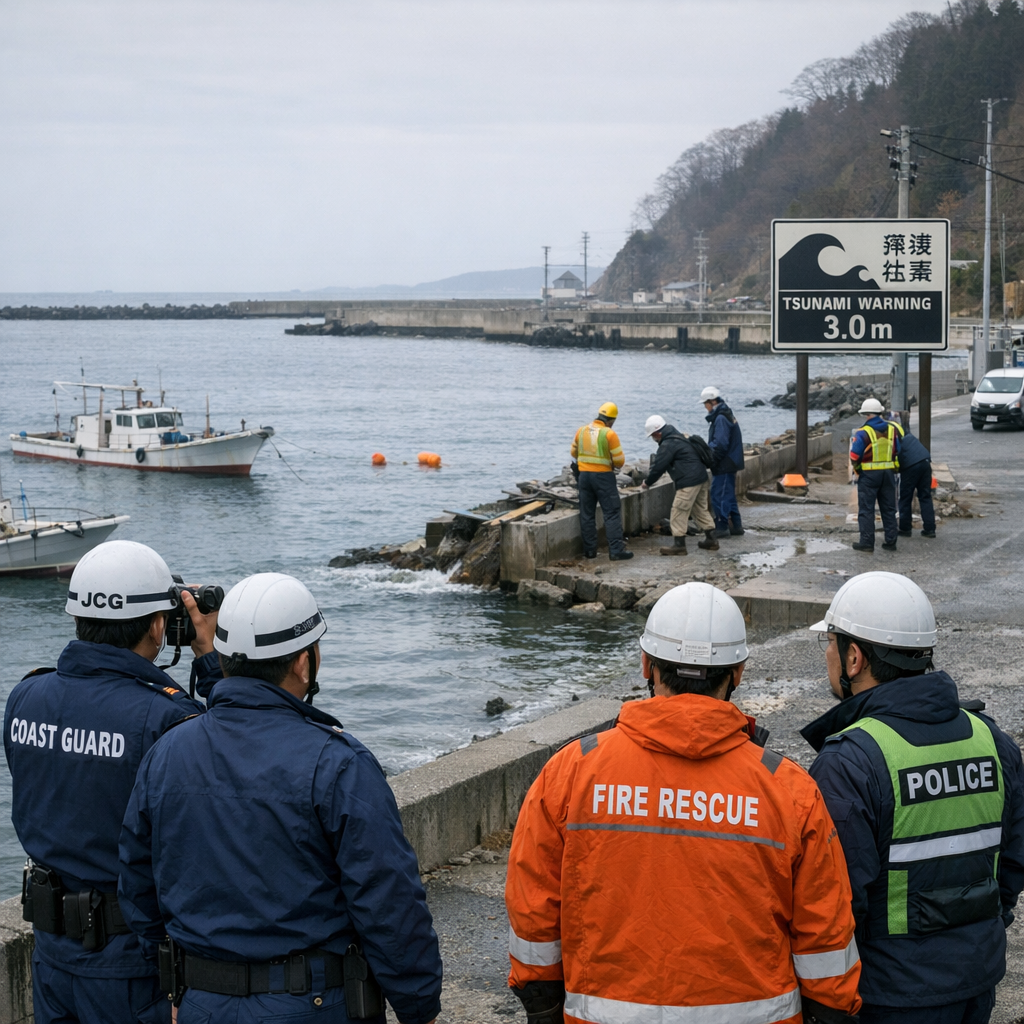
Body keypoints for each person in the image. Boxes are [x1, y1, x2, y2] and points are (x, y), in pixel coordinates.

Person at [506, 582, 862, 1024]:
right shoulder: (788, 789)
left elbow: (533, 911)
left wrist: (542, 1007)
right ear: (738, 674)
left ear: (645, 665)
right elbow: (825, 934)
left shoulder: (571, 773)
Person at [119, 572, 442, 1024]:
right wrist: (419, 1005)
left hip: (202, 1001)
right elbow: (388, 902)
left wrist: (176, 978)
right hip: (313, 1004)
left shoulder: (167, 751)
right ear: (304, 664)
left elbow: (137, 882)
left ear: (225, 657)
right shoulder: (339, 763)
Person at [4, 540, 217, 1024]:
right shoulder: (168, 718)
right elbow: (230, 772)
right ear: (159, 625)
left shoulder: (25, 697)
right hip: (133, 961)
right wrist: (212, 661)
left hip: (52, 953)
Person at [802, 571, 1024, 1024]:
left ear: (854, 658)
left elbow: (836, 904)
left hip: (889, 995)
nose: (825, 653)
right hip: (975, 981)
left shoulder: (850, 762)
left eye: (829, 641)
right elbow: (1011, 864)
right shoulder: (992, 741)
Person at [641, 414, 718, 555]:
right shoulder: (680, 437)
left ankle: (679, 546)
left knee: (678, 511)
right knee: (700, 509)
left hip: (688, 482)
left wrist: (647, 482)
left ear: (657, 432)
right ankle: (711, 539)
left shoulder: (667, 444)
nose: (653, 438)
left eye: (653, 435)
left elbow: (658, 467)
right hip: (701, 477)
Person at [570, 402, 633, 560]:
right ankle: (616, 551)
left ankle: (590, 552)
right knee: (611, 513)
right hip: (604, 477)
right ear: (612, 420)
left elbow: (573, 454)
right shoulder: (609, 434)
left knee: (587, 514)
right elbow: (619, 461)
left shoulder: (581, 430)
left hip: (584, 477)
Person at [849, 398, 903, 552]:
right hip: (888, 474)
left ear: (866, 414)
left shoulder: (863, 432)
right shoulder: (893, 429)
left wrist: (857, 469)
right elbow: (898, 450)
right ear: (880, 412)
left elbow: (854, 455)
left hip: (869, 475)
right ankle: (891, 541)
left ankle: (867, 543)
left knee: (866, 509)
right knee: (888, 508)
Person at [702, 386, 745, 538]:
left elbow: (720, 444)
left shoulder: (720, 418)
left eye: (705, 404)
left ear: (712, 402)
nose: (705, 407)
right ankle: (736, 526)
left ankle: (721, 527)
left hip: (725, 463)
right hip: (731, 461)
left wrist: (709, 458)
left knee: (719, 494)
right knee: (729, 496)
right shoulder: (726, 414)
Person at [894, 420, 936, 539]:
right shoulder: (908, 436)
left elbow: (896, 459)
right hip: (925, 461)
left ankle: (905, 528)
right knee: (925, 496)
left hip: (911, 466)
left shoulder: (894, 441)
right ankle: (930, 529)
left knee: (906, 497)